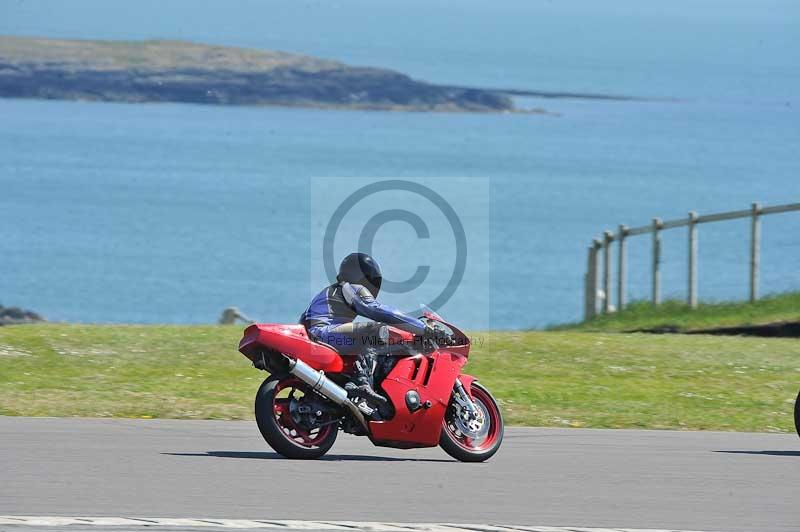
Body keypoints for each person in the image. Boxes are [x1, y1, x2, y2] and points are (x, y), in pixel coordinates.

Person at [301, 253, 428, 405]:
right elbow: (377, 310)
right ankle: (362, 383)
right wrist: (422, 328)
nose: (373, 285)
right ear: (360, 275)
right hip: (323, 335)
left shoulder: (333, 291)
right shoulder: (350, 287)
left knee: (369, 337)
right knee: (376, 330)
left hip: (316, 337)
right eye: (371, 280)